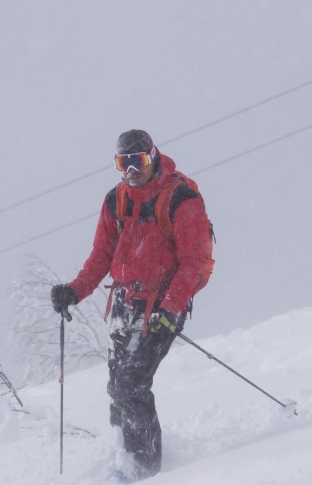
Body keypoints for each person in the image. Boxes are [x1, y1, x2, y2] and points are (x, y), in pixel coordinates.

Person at [50, 129, 213, 481]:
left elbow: (193, 262)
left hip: (162, 305)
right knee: (116, 386)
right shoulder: (116, 200)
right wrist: (75, 291)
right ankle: (123, 452)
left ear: (152, 157)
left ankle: (145, 468)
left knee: (132, 384)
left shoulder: (180, 199)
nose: (131, 171)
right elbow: (101, 255)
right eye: (122, 163)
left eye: (137, 162)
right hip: (125, 303)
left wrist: (169, 311)